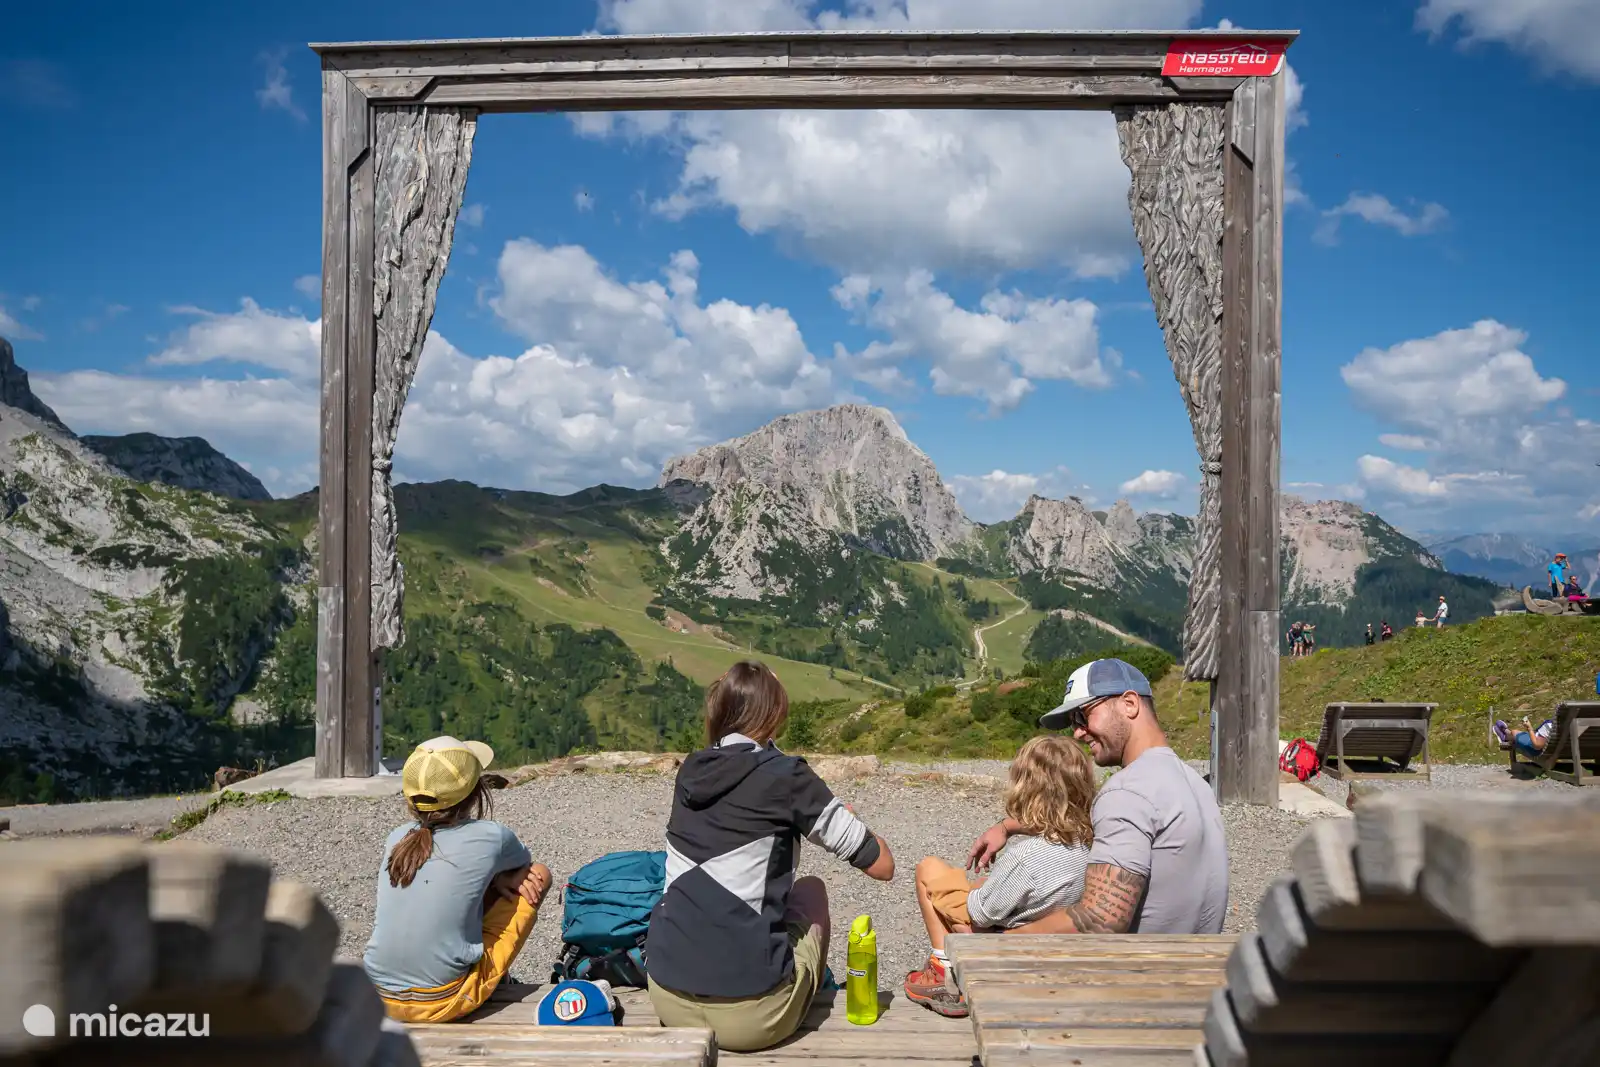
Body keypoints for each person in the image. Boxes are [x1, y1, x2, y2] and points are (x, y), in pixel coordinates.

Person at [646, 661, 895, 1052]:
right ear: (775, 715)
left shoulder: (691, 771)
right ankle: (801, 990)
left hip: (667, 998)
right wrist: (844, 819)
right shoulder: (787, 776)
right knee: (811, 890)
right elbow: (882, 865)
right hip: (752, 1019)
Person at [962, 659, 1228, 955]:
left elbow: (1100, 919)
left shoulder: (1127, 791)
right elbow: (1084, 826)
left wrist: (1002, 941)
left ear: (1129, 704)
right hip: (1196, 969)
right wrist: (1007, 827)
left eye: (1082, 716)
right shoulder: (1194, 784)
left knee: (972, 926)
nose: (1077, 733)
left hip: (1136, 974)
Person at [902, 735, 1095, 1017]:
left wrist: (978, 888)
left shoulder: (1027, 857)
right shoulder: (1089, 843)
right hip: (1042, 941)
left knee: (928, 868)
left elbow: (980, 913)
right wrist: (1007, 828)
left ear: (1026, 789)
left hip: (999, 944)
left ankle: (943, 972)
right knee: (979, 886)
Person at [363, 737, 552, 1023]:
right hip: (444, 1001)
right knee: (539, 874)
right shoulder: (493, 836)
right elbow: (523, 868)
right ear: (475, 793)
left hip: (378, 997)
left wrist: (493, 879)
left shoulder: (397, 838)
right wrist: (498, 879)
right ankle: (490, 978)